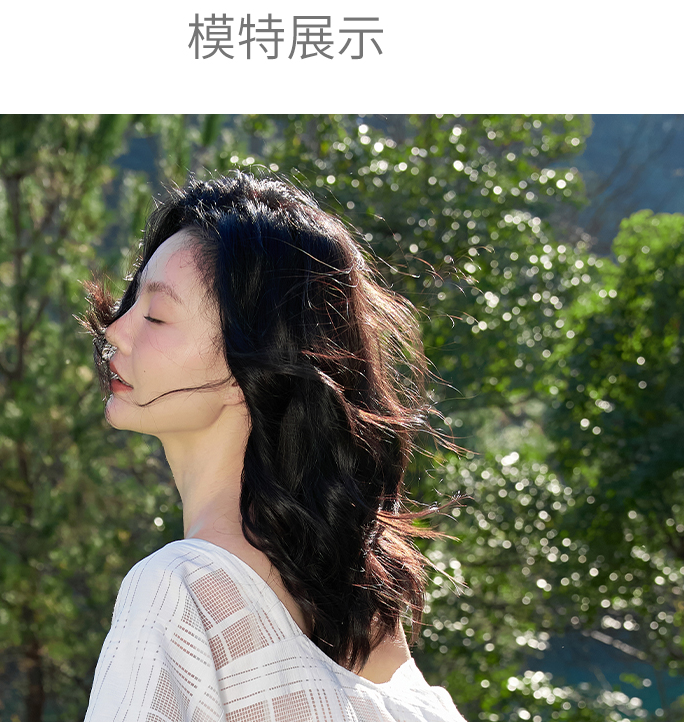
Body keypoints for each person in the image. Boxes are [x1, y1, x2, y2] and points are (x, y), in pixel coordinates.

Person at [80, 173, 466, 721]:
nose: (115, 330)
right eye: (130, 302)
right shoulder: (369, 621)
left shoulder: (180, 591)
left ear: (255, 360)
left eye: (157, 315)